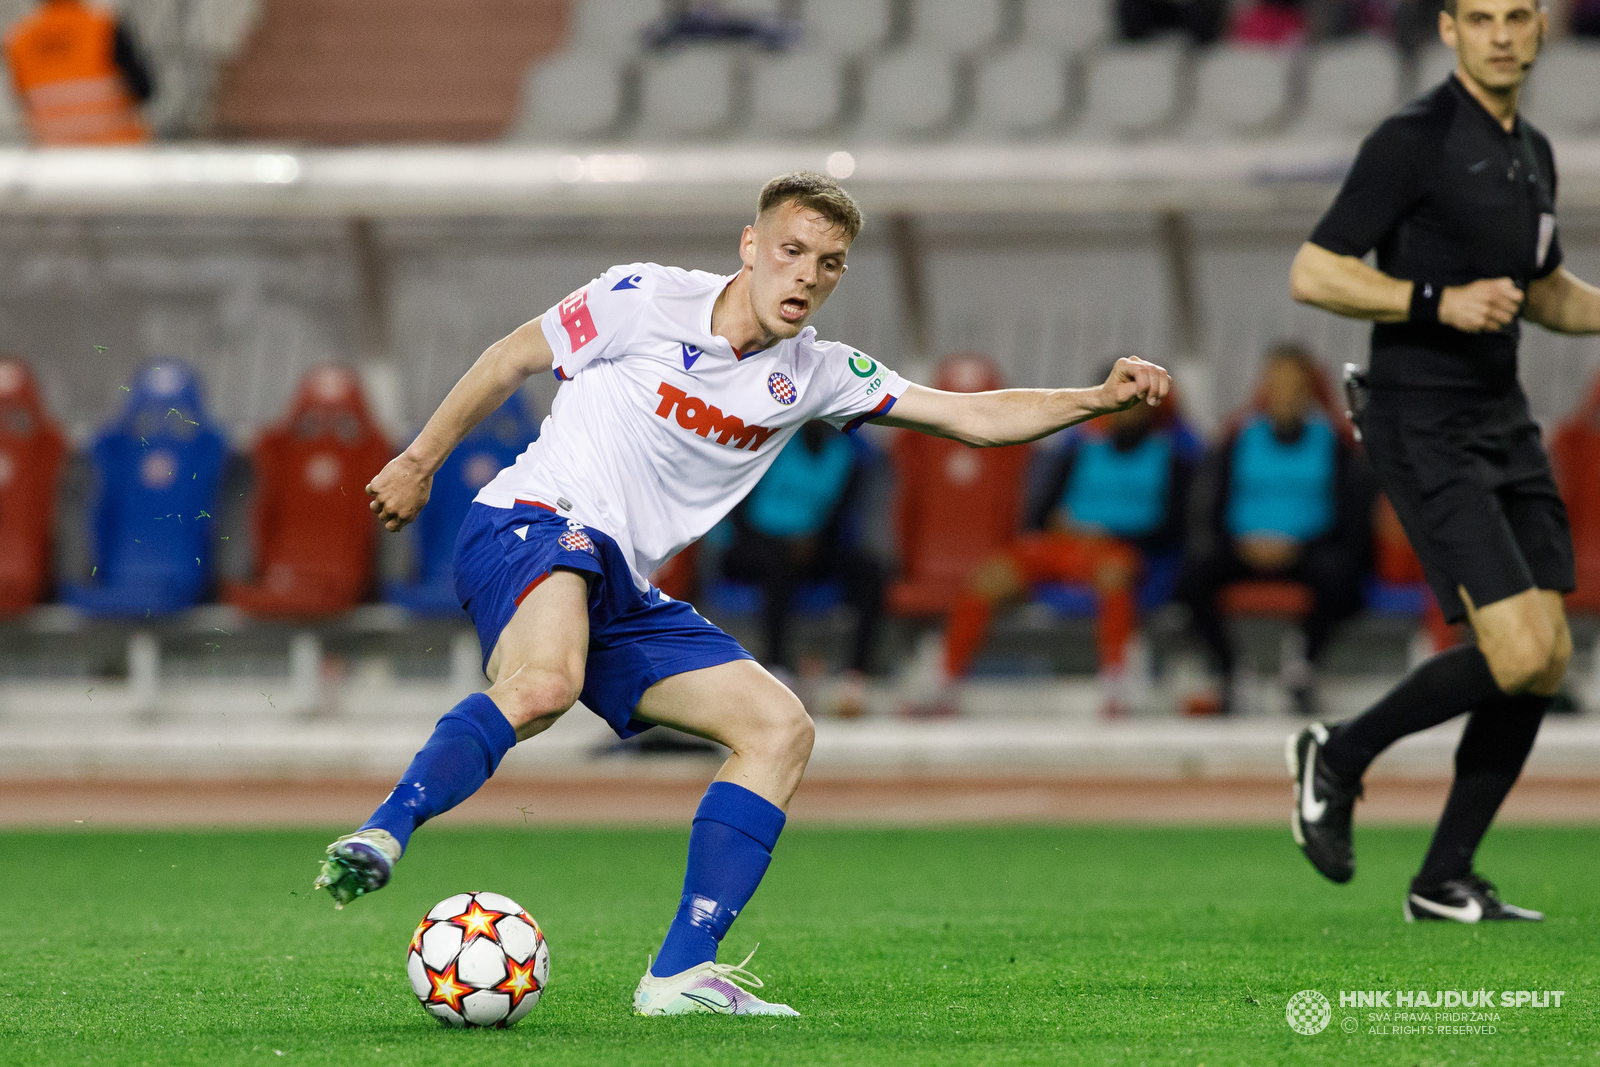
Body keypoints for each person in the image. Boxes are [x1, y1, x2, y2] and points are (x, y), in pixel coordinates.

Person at [313, 172, 1172, 1016]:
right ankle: (386, 826)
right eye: (792, 251)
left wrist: (1097, 399)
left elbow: (969, 417)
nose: (806, 274)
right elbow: (513, 356)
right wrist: (420, 460)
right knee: (546, 683)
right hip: (533, 520)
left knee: (779, 728)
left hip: (621, 578)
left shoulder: (821, 373)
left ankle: (680, 973)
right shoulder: (641, 296)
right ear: (751, 246)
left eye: (829, 262)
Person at [1287, 0, 1600, 922]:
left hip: (1503, 419)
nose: (1501, 32)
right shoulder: (1413, 139)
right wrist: (1436, 301)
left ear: (1541, 31)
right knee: (1516, 648)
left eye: (1517, 15)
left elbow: (1543, 292)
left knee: (1544, 660)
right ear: (1449, 32)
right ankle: (1338, 754)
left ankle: (1443, 879)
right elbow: (1315, 270)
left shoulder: (1529, 152)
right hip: (1421, 419)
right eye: (1480, 16)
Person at [933, 364, 1200, 717]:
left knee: (1113, 572)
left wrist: (1109, 533)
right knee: (993, 574)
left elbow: (1173, 529)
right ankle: (944, 680)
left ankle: (1118, 681)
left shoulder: (1171, 455)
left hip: (1122, 552)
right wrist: (1060, 526)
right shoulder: (1080, 448)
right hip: (1066, 546)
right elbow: (1039, 515)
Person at [1177, 344, 1372, 717]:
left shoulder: (1333, 442)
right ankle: (1231, 669)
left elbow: (1350, 517)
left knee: (1340, 574)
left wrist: (1297, 545)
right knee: (1193, 572)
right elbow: (1213, 507)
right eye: (1277, 384)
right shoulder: (1238, 438)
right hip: (1244, 548)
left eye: (1294, 385)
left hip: (1308, 551)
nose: (1285, 394)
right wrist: (1243, 543)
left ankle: (1301, 668)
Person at [720, 419, 885, 684]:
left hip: (810, 546)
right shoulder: (772, 443)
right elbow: (739, 510)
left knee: (870, 571)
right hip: (751, 543)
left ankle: (856, 674)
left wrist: (814, 542)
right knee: (778, 564)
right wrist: (784, 542)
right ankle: (776, 667)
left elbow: (837, 517)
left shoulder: (844, 455)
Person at [4, 0, 153, 145]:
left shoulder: (19, 38)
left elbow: (21, 100)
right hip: (118, 153)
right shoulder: (105, 26)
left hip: (56, 156)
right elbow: (144, 90)